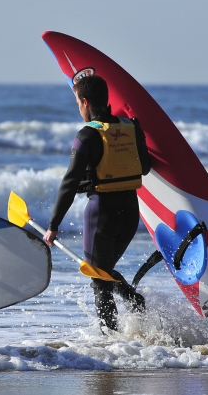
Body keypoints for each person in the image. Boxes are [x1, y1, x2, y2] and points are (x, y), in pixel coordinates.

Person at [43, 74, 151, 332]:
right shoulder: (131, 127)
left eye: (79, 104)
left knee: (98, 278)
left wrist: (53, 225)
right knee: (104, 271)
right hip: (129, 215)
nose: (79, 109)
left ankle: (111, 341)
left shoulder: (87, 136)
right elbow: (145, 168)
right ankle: (132, 301)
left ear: (85, 101)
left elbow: (69, 183)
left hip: (102, 214)